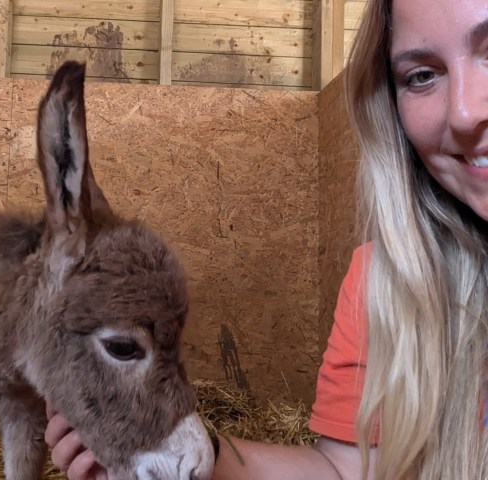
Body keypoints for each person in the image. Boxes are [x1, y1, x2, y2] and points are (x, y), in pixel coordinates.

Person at [44, 0, 488, 477]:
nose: (463, 113)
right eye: (421, 75)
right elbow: (345, 470)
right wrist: (202, 459)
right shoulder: (387, 282)